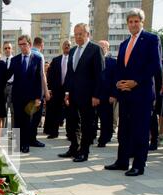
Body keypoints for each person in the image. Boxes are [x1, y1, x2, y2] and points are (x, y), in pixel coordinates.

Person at [105, 8, 162, 176]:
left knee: (140, 131)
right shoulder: (124, 44)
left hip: (142, 93)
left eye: (136, 21)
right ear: (127, 24)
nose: (133, 24)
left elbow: (154, 65)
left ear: (141, 22)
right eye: (130, 21)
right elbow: (120, 68)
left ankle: (138, 165)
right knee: (124, 130)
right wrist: (118, 82)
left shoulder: (151, 39)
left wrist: (135, 82)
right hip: (125, 94)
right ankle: (122, 161)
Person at [59, 23, 104, 162]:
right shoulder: (72, 51)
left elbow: (100, 74)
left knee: (86, 124)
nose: (77, 37)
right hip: (72, 94)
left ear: (87, 34)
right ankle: (74, 147)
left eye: (81, 34)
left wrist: (97, 95)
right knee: (72, 123)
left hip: (88, 95)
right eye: (76, 34)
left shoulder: (95, 49)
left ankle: (84, 151)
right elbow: (70, 74)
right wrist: (66, 92)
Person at [7, 35, 44, 153]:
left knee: (27, 120)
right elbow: (6, 75)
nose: (22, 47)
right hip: (17, 96)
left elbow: (39, 79)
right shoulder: (15, 60)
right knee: (17, 120)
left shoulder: (37, 59)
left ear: (30, 44)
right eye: (20, 45)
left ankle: (25, 144)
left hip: (31, 97)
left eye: (24, 44)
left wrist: (39, 97)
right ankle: (18, 144)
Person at [44, 40, 71, 139]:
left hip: (70, 90)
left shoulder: (74, 59)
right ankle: (54, 132)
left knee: (70, 112)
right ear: (62, 47)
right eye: (65, 45)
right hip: (57, 90)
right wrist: (50, 89)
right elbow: (50, 76)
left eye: (69, 45)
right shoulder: (56, 60)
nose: (67, 46)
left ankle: (70, 134)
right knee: (55, 111)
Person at [96, 40, 117, 148]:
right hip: (95, 95)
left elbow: (115, 80)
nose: (101, 49)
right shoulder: (93, 61)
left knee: (106, 119)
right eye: (99, 47)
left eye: (103, 47)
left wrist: (113, 94)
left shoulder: (113, 62)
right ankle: (91, 137)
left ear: (107, 49)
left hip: (107, 96)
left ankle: (104, 138)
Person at [30, 37, 50, 148]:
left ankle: (23, 139)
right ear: (41, 45)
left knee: (27, 115)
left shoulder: (26, 54)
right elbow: (42, 75)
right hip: (37, 92)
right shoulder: (39, 56)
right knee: (36, 117)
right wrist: (46, 91)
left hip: (26, 92)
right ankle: (32, 139)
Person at [2, 42, 14, 130]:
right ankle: (4, 130)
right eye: (5, 48)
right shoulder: (0, 61)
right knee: (3, 110)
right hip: (2, 87)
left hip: (13, 86)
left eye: (9, 48)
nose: (7, 50)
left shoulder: (15, 60)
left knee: (13, 110)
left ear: (12, 49)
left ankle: (14, 131)